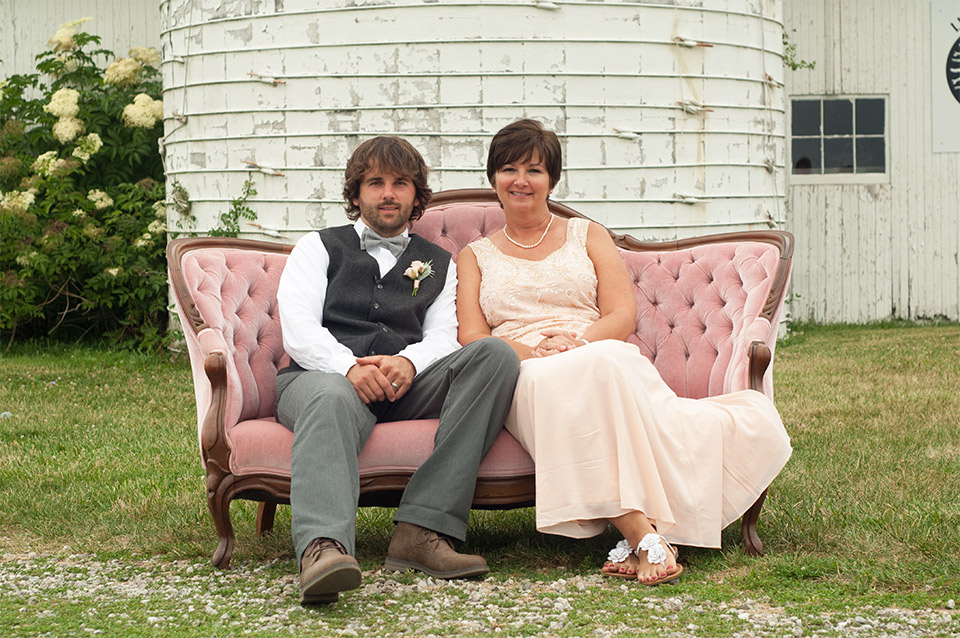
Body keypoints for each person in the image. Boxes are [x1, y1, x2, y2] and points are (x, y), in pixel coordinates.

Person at [456, 119, 792, 585]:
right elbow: (473, 337)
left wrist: (578, 342)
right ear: (493, 178)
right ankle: (642, 533)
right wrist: (534, 350)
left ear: (552, 179)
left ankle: (641, 535)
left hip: (593, 348)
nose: (521, 180)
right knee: (559, 380)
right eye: (508, 169)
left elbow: (621, 315)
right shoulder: (475, 255)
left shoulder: (586, 234)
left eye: (533, 169)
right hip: (522, 366)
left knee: (601, 363)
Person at [276, 136, 520, 604]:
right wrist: (348, 368)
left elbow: (445, 336)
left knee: (494, 355)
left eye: (401, 183)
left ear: (416, 196)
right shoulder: (318, 247)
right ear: (355, 195)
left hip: (404, 384)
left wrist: (409, 362)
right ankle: (323, 550)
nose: (389, 193)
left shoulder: (440, 263)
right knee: (329, 396)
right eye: (375, 183)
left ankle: (422, 530)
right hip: (320, 380)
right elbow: (299, 331)